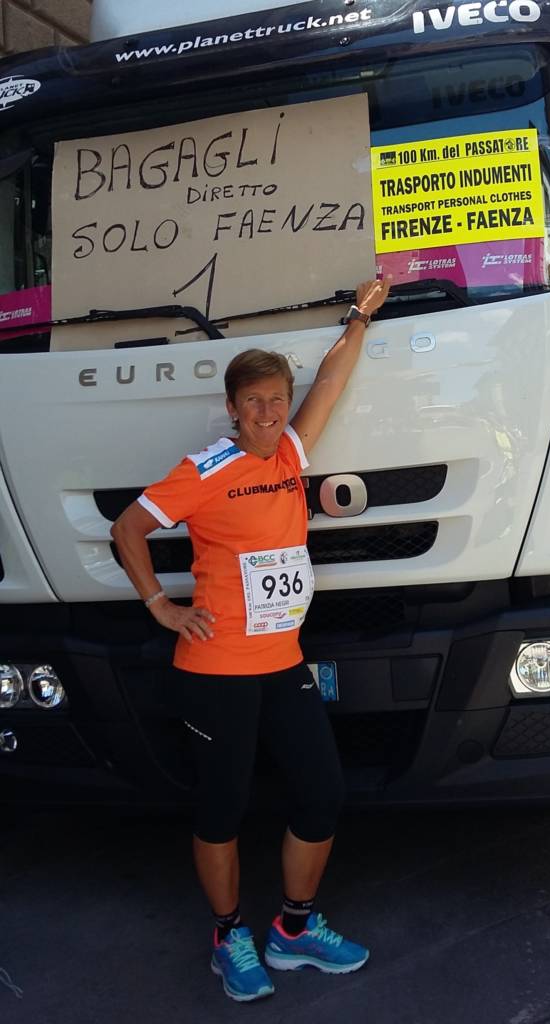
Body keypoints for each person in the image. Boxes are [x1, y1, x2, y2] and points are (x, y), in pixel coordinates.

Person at [111, 277, 391, 1003]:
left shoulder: (291, 453)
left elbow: (331, 382)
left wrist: (358, 319)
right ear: (233, 409)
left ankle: (293, 929)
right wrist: (159, 605)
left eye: (276, 400)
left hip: (283, 662)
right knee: (221, 808)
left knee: (322, 794)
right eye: (254, 403)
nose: (269, 413)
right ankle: (228, 935)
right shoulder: (205, 471)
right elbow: (128, 528)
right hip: (215, 669)